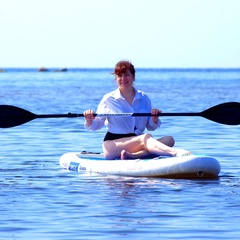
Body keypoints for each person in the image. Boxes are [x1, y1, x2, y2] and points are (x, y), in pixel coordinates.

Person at [84, 60, 191, 160]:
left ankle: (133, 156)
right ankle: (176, 153)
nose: (123, 79)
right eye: (119, 76)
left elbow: (150, 127)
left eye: (126, 75)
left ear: (133, 77)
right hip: (113, 145)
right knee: (145, 138)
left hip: (137, 143)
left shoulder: (144, 98)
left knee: (169, 139)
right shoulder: (108, 99)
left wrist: (154, 118)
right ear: (116, 79)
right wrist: (89, 119)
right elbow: (96, 126)